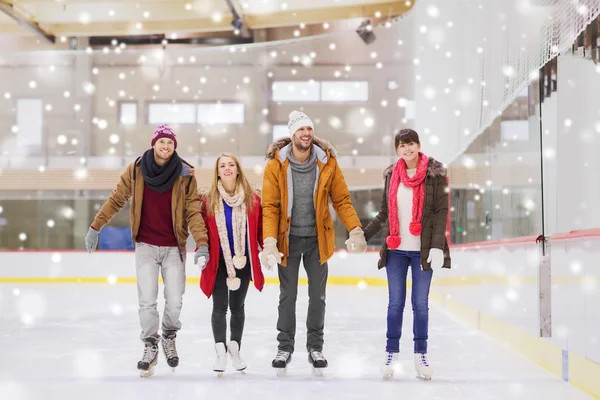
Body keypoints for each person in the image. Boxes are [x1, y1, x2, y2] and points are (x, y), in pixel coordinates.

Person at [84, 124, 209, 378]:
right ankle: (150, 344)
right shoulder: (137, 169)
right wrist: (96, 226)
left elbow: (193, 211)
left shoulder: (185, 174)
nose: (165, 147)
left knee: (175, 300)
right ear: (154, 144)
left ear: (175, 147)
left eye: (170, 143)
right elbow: (116, 199)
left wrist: (202, 242)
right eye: (161, 142)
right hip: (146, 245)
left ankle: (169, 336)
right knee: (147, 301)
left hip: (174, 246)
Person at [260, 110, 367, 375]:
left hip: (318, 240)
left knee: (317, 298)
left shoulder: (326, 162)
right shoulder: (276, 164)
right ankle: (284, 348)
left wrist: (355, 229)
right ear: (292, 134)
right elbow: (270, 206)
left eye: (309, 130)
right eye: (301, 130)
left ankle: (315, 347)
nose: (306, 134)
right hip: (289, 241)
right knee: (288, 297)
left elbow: (341, 199)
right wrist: (270, 240)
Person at [363, 128, 451, 380]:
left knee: (420, 305)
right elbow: (383, 214)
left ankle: (420, 355)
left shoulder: (435, 174)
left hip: (423, 251)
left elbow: (439, 212)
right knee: (395, 304)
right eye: (402, 145)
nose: (407, 149)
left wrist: (436, 245)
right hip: (396, 250)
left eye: (411, 144)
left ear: (419, 145)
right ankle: (391, 353)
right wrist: (362, 235)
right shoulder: (392, 175)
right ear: (397, 150)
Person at [198, 152, 264, 374]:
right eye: (222, 165)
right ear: (217, 171)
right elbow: (203, 233)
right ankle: (220, 354)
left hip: (242, 260)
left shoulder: (252, 199)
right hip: (218, 262)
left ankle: (235, 350)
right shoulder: (208, 200)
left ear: (237, 169)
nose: (227, 168)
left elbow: (261, 230)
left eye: (231, 165)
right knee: (219, 308)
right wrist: (201, 252)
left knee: (237, 308)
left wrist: (268, 249)